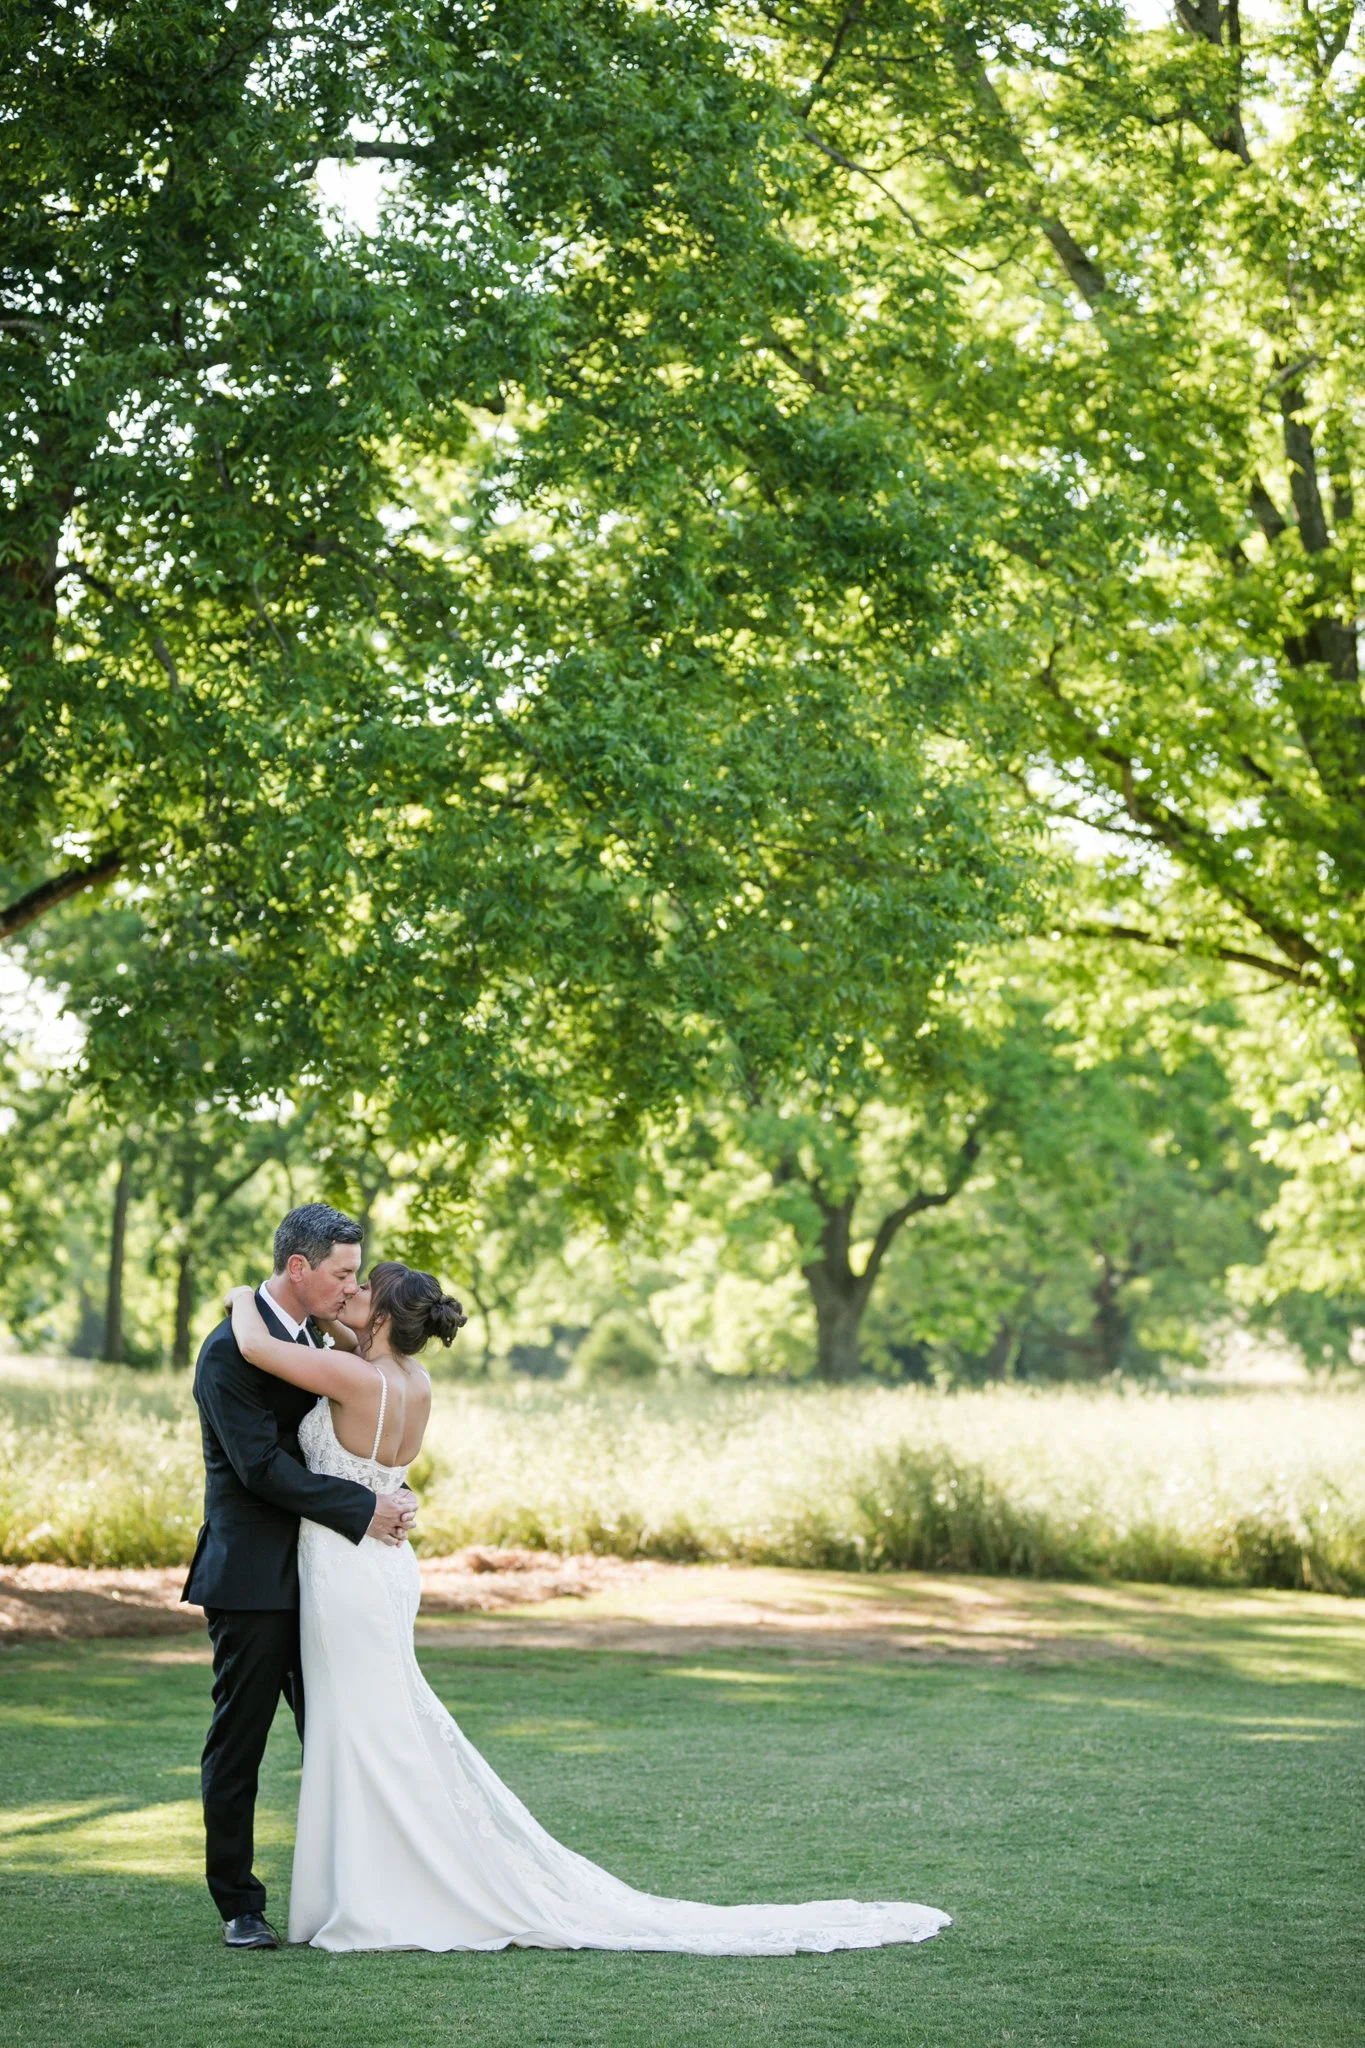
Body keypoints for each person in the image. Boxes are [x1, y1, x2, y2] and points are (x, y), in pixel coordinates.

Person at [223, 1259, 952, 1956]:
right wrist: (359, 1326)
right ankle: (380, 1881)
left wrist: (239, 1295)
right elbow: (363, 1367)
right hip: (386, 1565)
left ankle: (386, 1894)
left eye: (362, 1289)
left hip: (348, 1569)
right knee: (378, 1725)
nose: (348, 1293)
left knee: (365, 1731)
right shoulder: (411, 1379)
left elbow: (256, 1343)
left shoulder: (351, 1375)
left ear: (380, 1315)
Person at [182, 1204, 417, 1949]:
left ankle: (363, 1885)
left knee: (340, 1733)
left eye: (356, 1275)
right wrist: (363, 1507)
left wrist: (385, 1489)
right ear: (298, 1269)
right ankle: (239, 1905)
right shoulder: (228, 1353)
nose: (351, 1287)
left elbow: (355, 1432)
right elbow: (259, 1468)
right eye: (342, 1273)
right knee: (240, 1743)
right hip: (253, 1578)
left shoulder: (318, 1341)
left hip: (331, 1577)